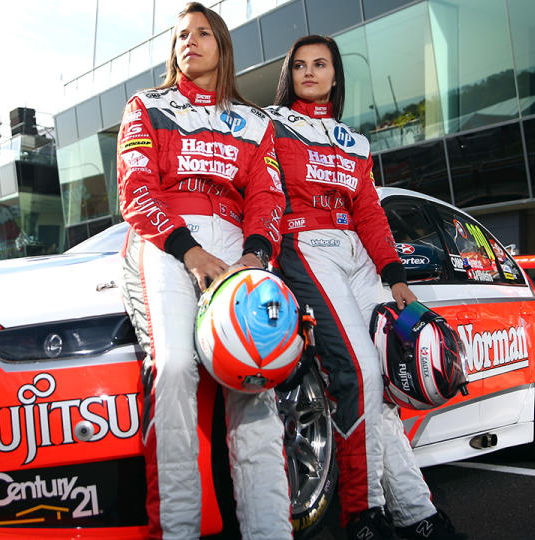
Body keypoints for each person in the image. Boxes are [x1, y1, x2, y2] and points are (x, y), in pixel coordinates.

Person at [265, 35, 467, 540]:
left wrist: (395, 277)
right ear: (289, 74)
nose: (310, 72)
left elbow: (371, 213)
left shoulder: (356, 142)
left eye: (321, 64)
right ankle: (362, 515)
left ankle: (416, 514)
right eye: (301, 65)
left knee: (384, 385)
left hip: (358, 255)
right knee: (360, 374)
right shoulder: (270, 125)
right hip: (305, 245)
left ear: (336, 75)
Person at [116, 3, 291, 538]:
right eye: (179, 36)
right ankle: (178, 530)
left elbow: (268, 197)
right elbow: (136, 189)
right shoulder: (146, 106)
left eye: (201, 33)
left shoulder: (258, 122)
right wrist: (190, 252)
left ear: (222, 45)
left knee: (255, 382)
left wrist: (255, 255)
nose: (188, 42)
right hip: (167, 239)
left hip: (239, 244)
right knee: (172, 368)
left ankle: (270, 531)